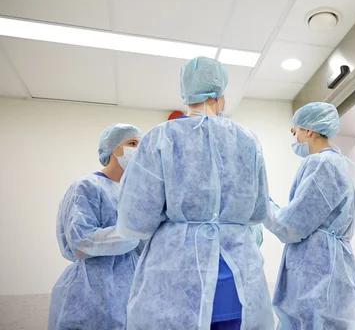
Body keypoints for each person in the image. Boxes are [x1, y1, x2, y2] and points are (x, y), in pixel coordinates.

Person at [116, 56, 273, 330]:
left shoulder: (160, 138)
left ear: (186, 92)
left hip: (177, 286)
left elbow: (136, 221)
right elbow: (258, 212)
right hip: (237, 284)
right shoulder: (247, 140)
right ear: (220, 96)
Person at [265, 102, 355, 330]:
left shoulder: (321, 163)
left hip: (317, 269)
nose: (294, 139)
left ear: (308, 130)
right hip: (331, 266)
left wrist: (263, 205)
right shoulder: (337, 163)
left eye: (295, 132)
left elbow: (292, 225)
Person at [48, 124, 143, 330]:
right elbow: (81, 242)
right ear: (112, 148)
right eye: (132, 143)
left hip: (132, 289)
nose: (138, 150)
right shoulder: (87, 186)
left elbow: (143, 247)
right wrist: (131, 234)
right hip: (92, 289)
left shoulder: (132, 193)